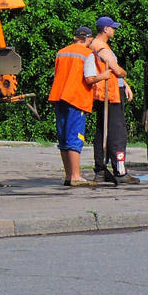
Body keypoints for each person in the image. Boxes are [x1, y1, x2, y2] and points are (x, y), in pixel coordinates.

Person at [86, 16, 139, 185]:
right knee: (117, 134)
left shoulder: (94, 45)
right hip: (111, 95)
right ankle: (119, 171)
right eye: (113, 28)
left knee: (102, 131)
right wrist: (124, 74)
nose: (114, 30)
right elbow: (115, 70)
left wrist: (126, 85)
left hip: (105, 93)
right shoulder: (102, 47)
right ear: (106, 29)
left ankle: (100, 170)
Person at [46, 26, 100, 187]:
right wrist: (103, 76)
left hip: (59, 96)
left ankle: (69, 175)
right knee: (75, 138)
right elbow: (90, 79)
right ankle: (76, 176)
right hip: (76, 98)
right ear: (88, 39)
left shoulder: (61, 52)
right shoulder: (87, 54)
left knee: (63, 138)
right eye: (91, 40)